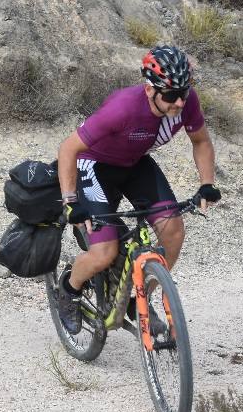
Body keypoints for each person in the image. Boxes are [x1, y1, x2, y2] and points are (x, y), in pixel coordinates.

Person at [51, 45, 221, 335]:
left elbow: (201, 142)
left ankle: (139, 297)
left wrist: (207, 184)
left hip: (135, 163)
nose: (179, 102)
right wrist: (71, 202)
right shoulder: (124, 109)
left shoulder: (185, 101)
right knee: (104, 252)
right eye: (170, 96)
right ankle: (69, 290)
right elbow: (69, 148)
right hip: (94, 165)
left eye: (183, 93)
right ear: (149, 90)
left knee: (173, 232)